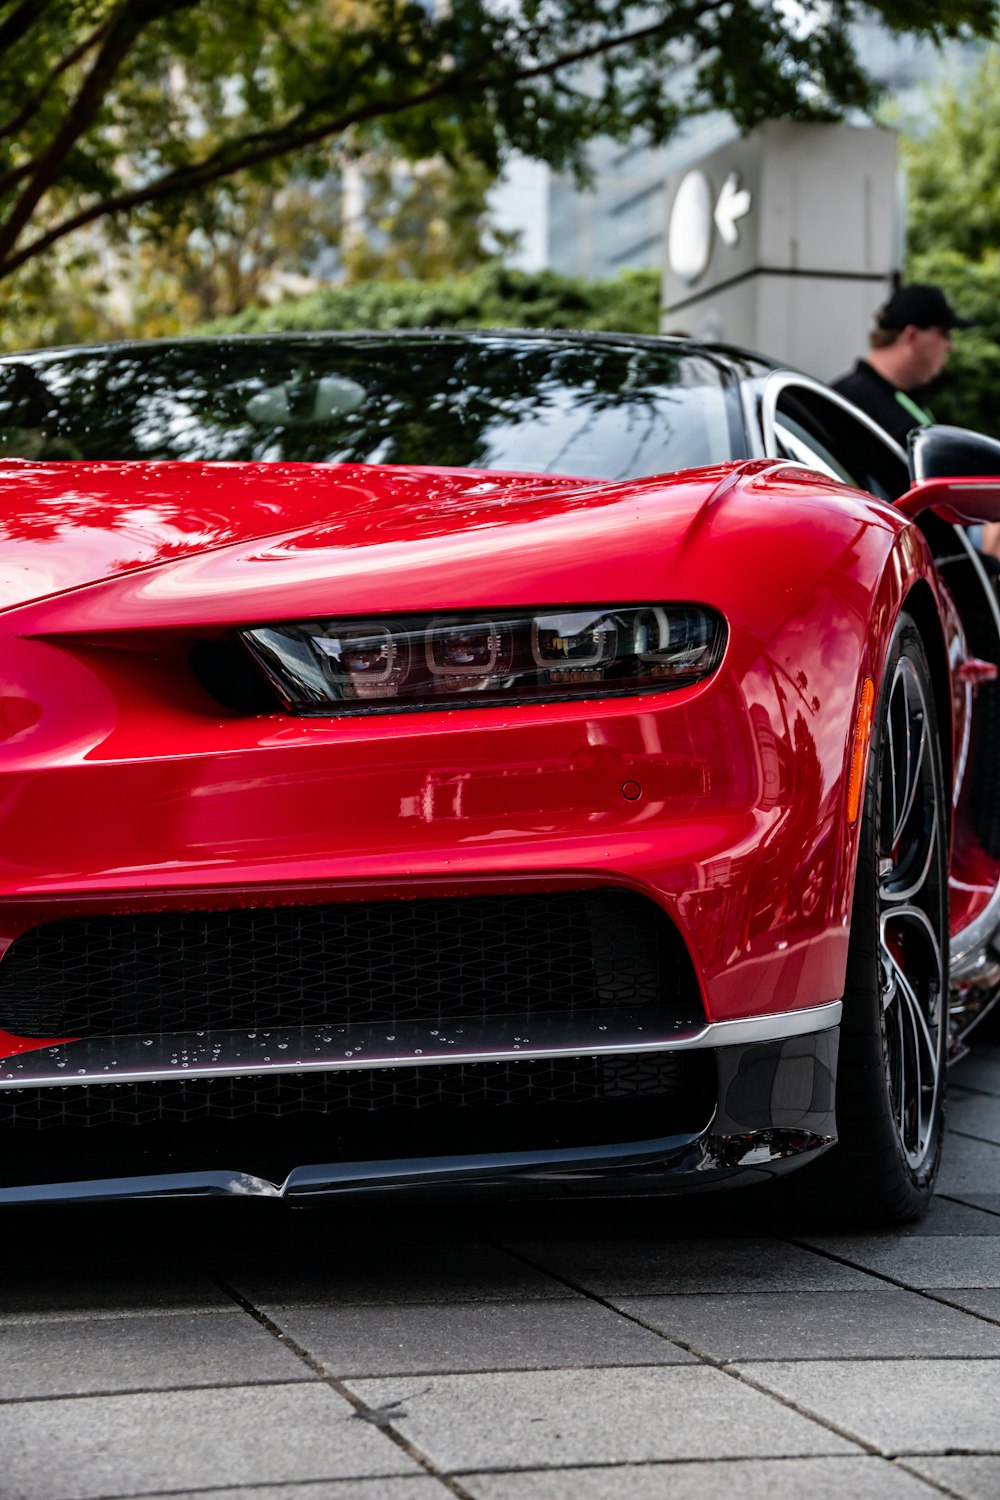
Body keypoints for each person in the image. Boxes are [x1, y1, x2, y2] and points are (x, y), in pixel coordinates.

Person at [832, 282, 975, 447]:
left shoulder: (893, 399)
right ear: (912, 335)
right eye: (944, 334)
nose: (950, 346)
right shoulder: (852, 404)